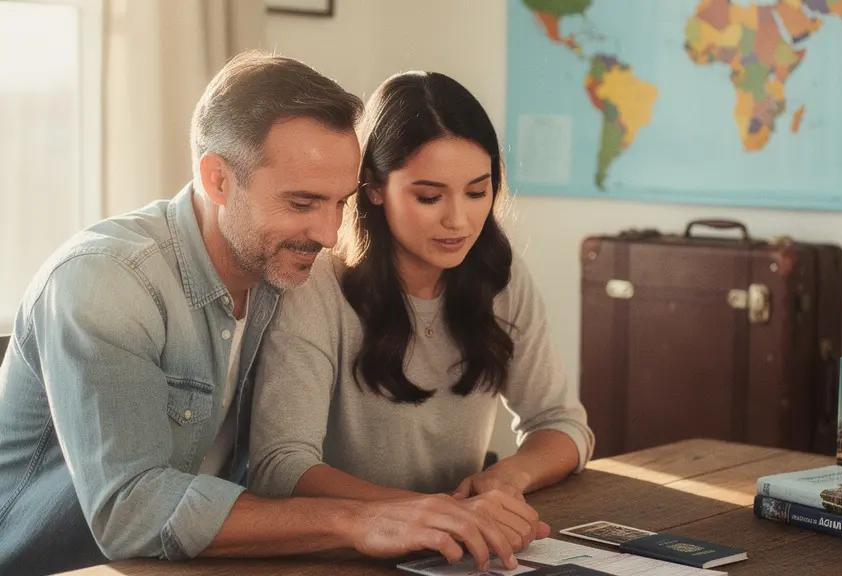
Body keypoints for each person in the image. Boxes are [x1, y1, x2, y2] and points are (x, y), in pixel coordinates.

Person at [0, 52, 544, 576]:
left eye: (341, 203)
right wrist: (362, 519)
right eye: (302, 204)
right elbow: (130, 510)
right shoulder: (104, 282)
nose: (330, 235)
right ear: (216, 180)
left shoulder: (279, 272)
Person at [248, 70, 595, 523]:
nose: (460, 221)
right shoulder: (317, 286)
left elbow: (562, 424)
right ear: (373, 186)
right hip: (342, 549)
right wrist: (424, 513)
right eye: (430, 197)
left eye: (477, 191)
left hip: (458, 540)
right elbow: (280, 467)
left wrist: (509, 477)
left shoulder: (500, 277)